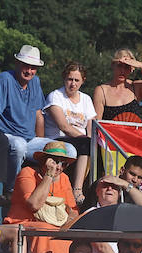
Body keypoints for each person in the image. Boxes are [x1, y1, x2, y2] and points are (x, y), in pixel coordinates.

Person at [3, 139, 78, 253]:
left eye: (63, 164)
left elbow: (74, 212)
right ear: (45, 161)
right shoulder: (27, 172)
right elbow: (34, 205)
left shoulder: (64, 178)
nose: (58, 167)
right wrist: (49, 176)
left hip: (55, 225)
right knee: (45, 229)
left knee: (67, 231)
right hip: (23, 222)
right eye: (55, 161)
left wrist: (66, 217)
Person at [0, 45, 47, 182]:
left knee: (67, 150)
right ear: (17, 63)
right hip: (7, 137)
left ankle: (48, 191)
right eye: (26, 66)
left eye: (33, 67)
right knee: (19, 145)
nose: (29, 71)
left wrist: (42, 143)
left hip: (30, 140)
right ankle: (12, 190)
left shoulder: (35, 82)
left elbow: (39, 116)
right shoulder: (4, 79)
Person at [44, 61, 95, 198]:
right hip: (59, 138)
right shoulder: (55, 96)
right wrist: (87, 139)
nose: (73, 84)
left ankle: (93, 191)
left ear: (83, 81)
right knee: (86, 144)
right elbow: (64, 126)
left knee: (96, 149)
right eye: (70, 79)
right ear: (64, 79)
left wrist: (91, 140)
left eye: (76, 80)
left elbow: (91, 125)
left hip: (81, 141)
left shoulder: (86, 99)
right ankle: (77, 189)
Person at [90, 48, 142, 124]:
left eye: (126, 67)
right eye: (119, 66)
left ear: (131, 69)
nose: (122, 70)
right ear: (113, 66)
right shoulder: (101, 91)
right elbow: (97, 124)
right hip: (110, 135)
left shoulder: (136, 87)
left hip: (135, 135)